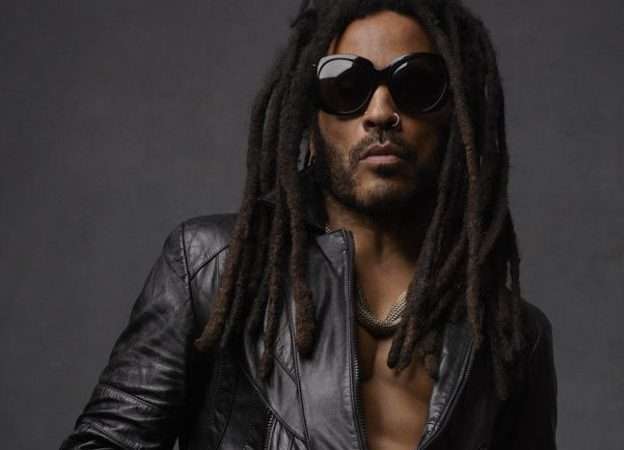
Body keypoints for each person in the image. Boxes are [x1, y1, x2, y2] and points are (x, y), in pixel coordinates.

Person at [61, 1, 557, 449]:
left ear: (454, 115)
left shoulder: (511, 337)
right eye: (347, 87)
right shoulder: (213, 267)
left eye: (416, 85)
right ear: (310, 119)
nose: (380, 112)